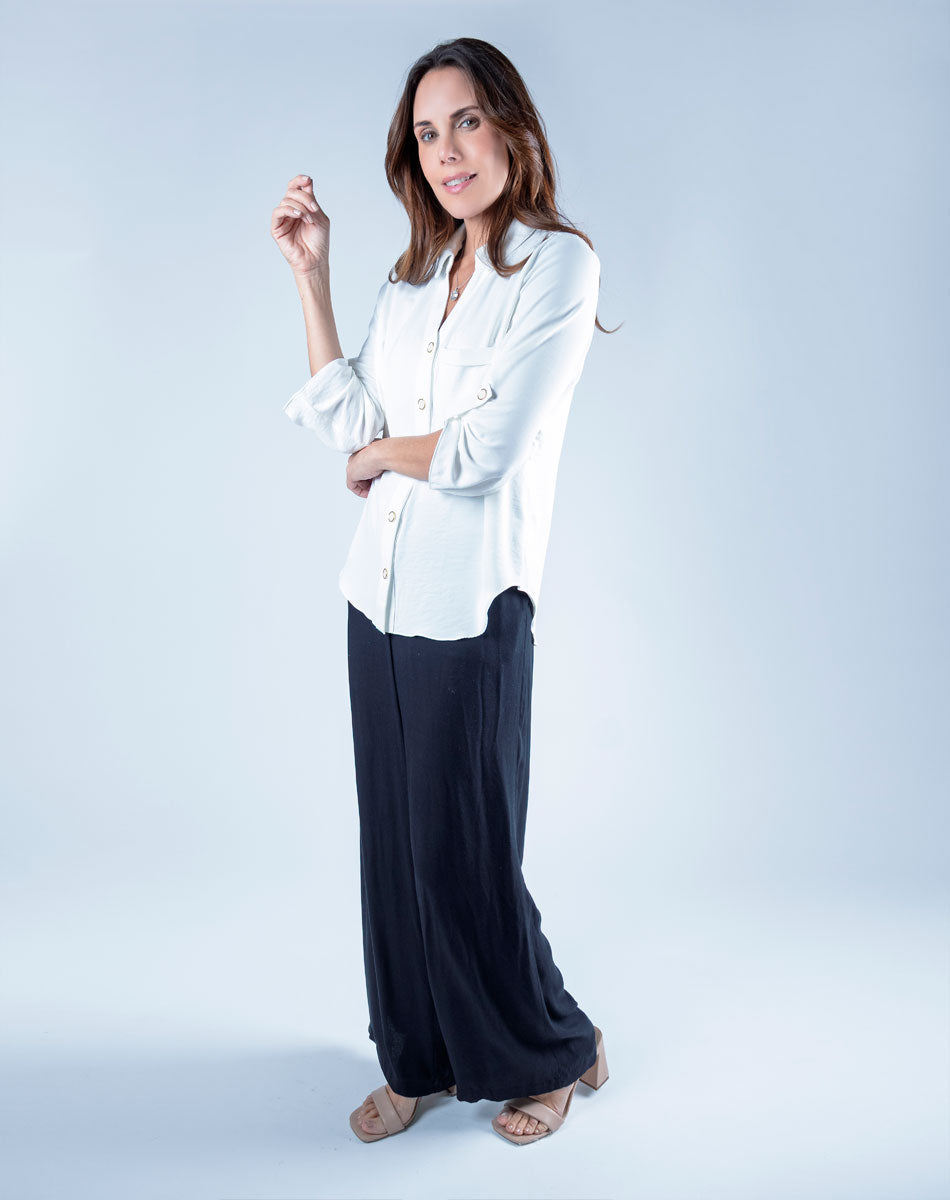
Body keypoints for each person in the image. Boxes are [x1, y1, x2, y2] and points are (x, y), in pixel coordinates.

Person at [271, 36, 618, 1146]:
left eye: (465, 121)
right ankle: (415, 1059)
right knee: (394, 850)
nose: (448, 151)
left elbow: (487, 448)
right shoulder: (413, 280)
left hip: (471, 602)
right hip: (374, 598)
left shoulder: (556, 267)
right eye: (427, 134)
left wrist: (382, 457)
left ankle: (551, 1050)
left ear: (509, 125)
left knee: (463, 849)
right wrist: (312, 277)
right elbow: (349, 419)